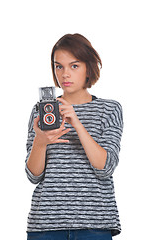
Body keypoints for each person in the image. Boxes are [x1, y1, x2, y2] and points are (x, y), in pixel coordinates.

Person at [25, 33, 123, 240]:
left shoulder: (109, 109)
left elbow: (104, 168)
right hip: (45, 224)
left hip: (95, 224)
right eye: (58, 66)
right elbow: (33, 176)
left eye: (74, 66)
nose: (65, 74)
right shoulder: (42, 111)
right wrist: (40, 142)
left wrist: (77, 123)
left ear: (89, 67)